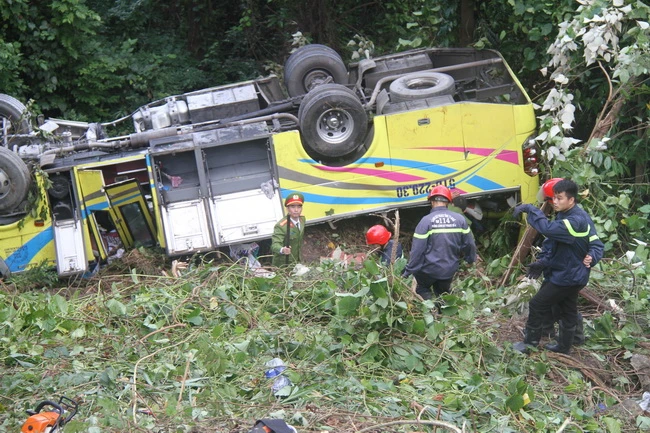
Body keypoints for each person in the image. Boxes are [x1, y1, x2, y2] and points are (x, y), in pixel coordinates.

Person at [512, 179, 604, 354]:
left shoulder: (574, 221)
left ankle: (529, 344)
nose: (554, 202)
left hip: (567, 276)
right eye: (553, 198)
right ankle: (565, 346)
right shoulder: (569, 215)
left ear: (571, 200)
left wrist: (530, 209)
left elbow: (548, 229)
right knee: (567, 309)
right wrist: (544, 262)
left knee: (537, 304)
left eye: (559, 198)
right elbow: (557, 245)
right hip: (573, 274)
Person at [402, 185, 477, 301]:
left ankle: (430, 309)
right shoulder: (460, 220)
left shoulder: (425, 221)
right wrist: (470, 259)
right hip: (449, 270)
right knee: (442, 294)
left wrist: (408, 271)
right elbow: (469, 244)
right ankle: (443, 313)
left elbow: (417, 251)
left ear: (432, 201)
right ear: (448, 201)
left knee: (421, 289)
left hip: (428, 270)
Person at [271, 193, 306, 267]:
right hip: (283, 264)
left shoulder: (302, 219)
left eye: (299, 206)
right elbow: (274, 245)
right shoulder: (281, 226)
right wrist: (282, 249)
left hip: (297, 260)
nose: (296, 210)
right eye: (293, 207)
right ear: (287, 209)